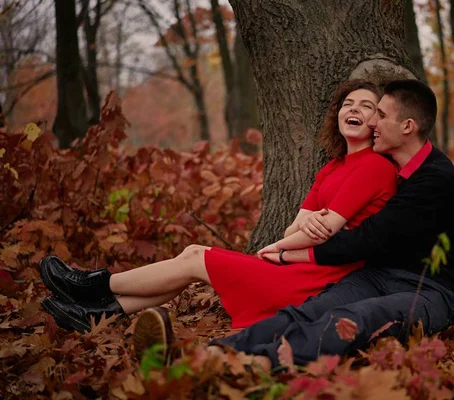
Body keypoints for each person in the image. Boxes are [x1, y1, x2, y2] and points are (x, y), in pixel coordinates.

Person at [133, 79, 454, 368]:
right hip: (377, 276)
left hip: (431, 291)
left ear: (407, 126)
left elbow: (369, 239)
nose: (373, 123)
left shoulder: (437, 179)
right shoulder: (393, 170)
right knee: (308, 312)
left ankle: (256, 364)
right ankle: (207, 356)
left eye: (380, 115)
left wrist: (288, 255)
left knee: (352, 320)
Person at [38, 79, 398, 336]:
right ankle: (96, 313)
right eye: (348, 104)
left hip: (317, 281)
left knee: (195, 257)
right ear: (337, 115)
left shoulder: (375, 167)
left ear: (376, 122)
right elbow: (295, 230)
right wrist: (299, 233)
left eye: (366, 107)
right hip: (294, 267)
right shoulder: (332, 169)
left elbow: (323, 231)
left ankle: (92, 284)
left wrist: (283, 243)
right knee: (191, 264)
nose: (354, 110)